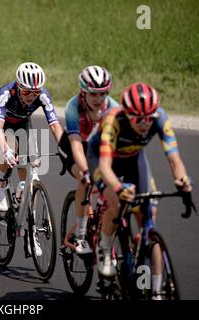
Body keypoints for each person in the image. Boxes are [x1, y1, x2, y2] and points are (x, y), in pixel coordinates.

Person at [87, 82, 193, 295]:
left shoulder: (160, 118)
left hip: (134, 159)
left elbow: (174, 160)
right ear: (127, 114)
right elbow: (106, 168)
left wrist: (182, 181)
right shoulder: (112, 120)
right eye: (138, 119)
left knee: (148, 218)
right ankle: (105, 249)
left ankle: (155, 289)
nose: (145, 123)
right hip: (101, 159)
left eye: (149, 118)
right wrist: (117, 187)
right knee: (116, 203)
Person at [0, 62, 64, 256]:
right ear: (18, 87)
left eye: (35, 93)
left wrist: (64, 148)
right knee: (11, 146)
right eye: (27, 92)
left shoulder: (42, 95)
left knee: (30, 167)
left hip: (21, 123)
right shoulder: (6, 94)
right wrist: (6, 151)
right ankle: (1, 186)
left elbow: (54, 126)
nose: (31, 97)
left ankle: (30, 229)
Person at [58, 66, 118, 255]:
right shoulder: (73, 107)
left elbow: (118, 146)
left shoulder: (114, 108)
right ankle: (81, 235)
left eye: (103, 94)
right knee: (84, 180)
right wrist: (86, 172)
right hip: (72, 147)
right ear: (83, 93)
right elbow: (76, 145)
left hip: (98, 147)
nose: (99, 100)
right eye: (93, 94)